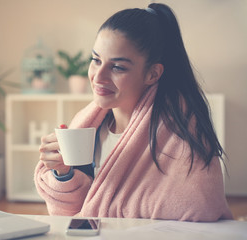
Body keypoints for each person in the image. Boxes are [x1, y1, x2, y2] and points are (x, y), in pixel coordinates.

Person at [34, 3, 233, 221]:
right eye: (96, 60)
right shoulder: (89, 124)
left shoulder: (180, 127)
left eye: (117, 67)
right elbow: (78, 211)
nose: (98, 77)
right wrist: (63, 173)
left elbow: (200, 206)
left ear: (152, 74)